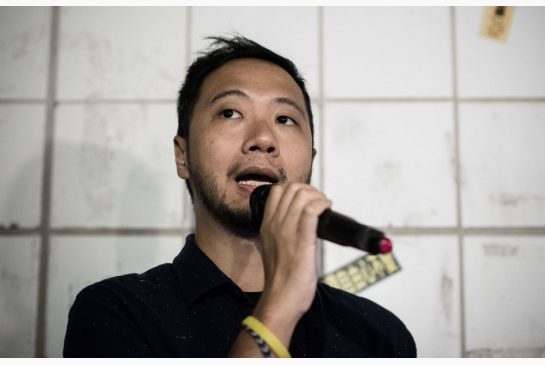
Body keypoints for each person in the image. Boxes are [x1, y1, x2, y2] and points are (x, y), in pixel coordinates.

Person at [63, 35, 417, 358]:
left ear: (310, 158)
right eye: (230, 113)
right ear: (182, 155)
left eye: (285, 119)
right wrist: (280, 303)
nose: (263, 138)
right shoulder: (117, 312)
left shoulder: (378, 335)